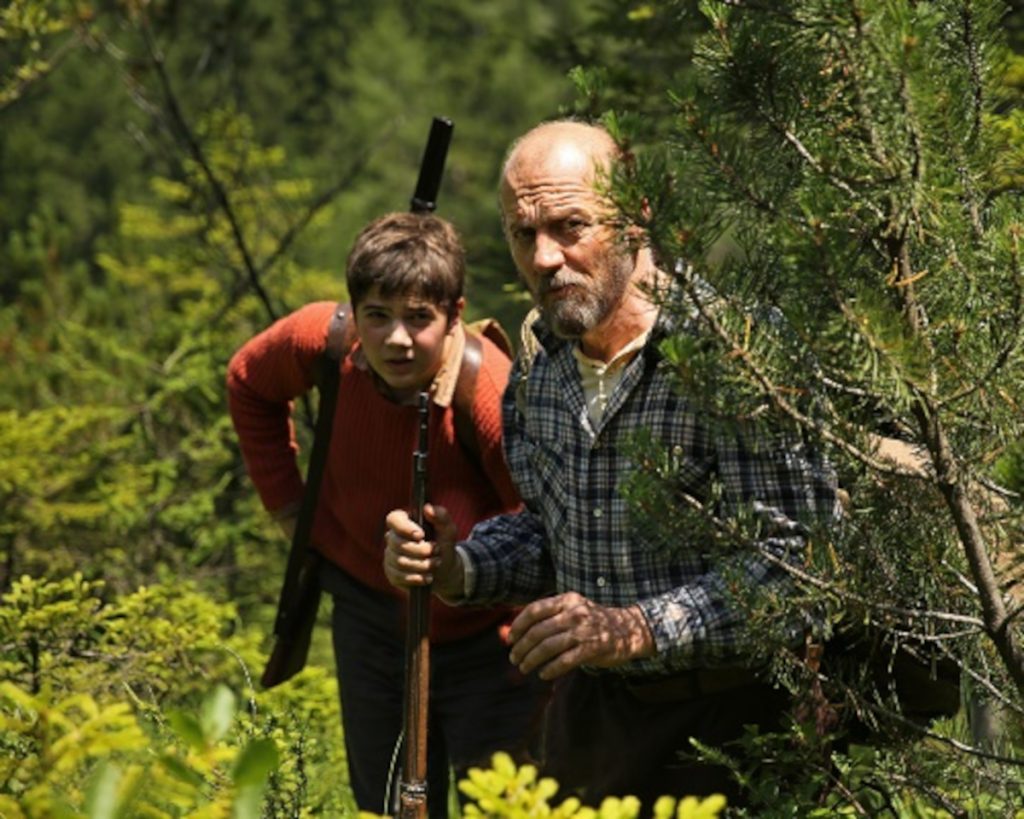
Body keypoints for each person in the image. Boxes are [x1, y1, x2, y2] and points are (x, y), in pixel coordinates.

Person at [383, 121, 841, 809]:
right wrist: (459, 566)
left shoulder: (736, 352)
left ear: (637, 216)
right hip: (595, 728)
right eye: (521, 233)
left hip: (744, 729)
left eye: (570, 225)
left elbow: (800, 564)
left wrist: (638, 627)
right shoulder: (543, 362)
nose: (543, 257)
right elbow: (553, 530)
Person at [227, 211, 546, 818]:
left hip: (490, 642)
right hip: (370, 622)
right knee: (388, 806)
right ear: (354, 312)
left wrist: (468, 573)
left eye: (419, 318)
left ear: (454, 314)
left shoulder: (494, 396)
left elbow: (540, 528)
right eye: (377, 315)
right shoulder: (323, 341)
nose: (396, 339)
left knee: (505, 808)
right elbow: (248, 381)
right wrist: (291, 512)